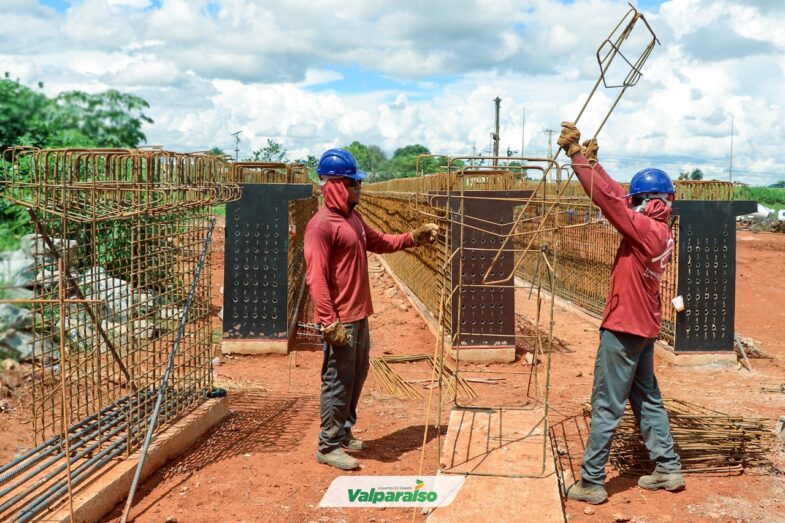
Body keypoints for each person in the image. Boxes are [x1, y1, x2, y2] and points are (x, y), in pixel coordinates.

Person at [556, 122, 685, 504]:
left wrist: (578, 158)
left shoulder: (645, 229)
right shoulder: (661, 231)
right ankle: (667, 467)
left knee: (607, 403)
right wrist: (595, 166)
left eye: (638, 199)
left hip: (624, 328)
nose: (632, 204)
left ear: (647, 201)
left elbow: (610, 202)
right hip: (644, 328)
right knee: (647, 398)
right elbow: (616, 197)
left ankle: (592, 482)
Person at [304, 148, 439, 471]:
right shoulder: (320, 226)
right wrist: (328, 321)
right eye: (354, 185)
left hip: (359, 314)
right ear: (336, 185)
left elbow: (378, 241)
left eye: (359, 184)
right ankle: (328, 444)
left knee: (356, 376)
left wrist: (413, 237)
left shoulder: (352, 218)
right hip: (340, 320)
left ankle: (344, 431)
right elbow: (316, 277)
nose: (359, 190)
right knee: (338, 380)